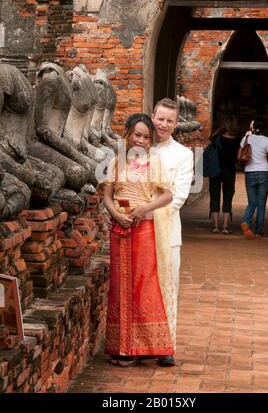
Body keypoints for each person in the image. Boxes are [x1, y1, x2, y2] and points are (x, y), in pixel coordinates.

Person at [103, 113, 176, 367]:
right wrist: (116, 216)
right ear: (128, 134)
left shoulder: (154, 163)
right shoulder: (116, 162)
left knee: (142, 286)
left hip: (144, 229)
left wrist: (144, 209)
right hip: (119, 229)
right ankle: (121, 348)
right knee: (119, 287)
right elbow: (107, 197)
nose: (141, 140)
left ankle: (140, 348)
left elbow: (167, 195)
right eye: (137, 135)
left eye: (146, 137)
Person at [151, 98, 194, 367]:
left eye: (169, 120)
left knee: (167, 286)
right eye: (160, 118)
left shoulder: (183, 154)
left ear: (176, 124)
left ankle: (166, 344)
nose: (163, 124)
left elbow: (179, 196)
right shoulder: (138, 148)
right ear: (152, 116)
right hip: (135, 228)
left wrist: (148, 213)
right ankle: (139, 343)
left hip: (167, 229)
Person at [238, 118, 268, 239]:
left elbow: (239, 155)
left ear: (253, 127)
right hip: (264, 172)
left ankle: (246, 221)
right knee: (261, 204)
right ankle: (259, 231)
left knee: (252, 202)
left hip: (249, 172)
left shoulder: (246, 139)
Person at [208, 116, 240, 234]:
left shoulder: (218, 138)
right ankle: (225, 227)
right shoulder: (238, 140)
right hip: (230, 171)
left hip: (216, 171)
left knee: (214, 197)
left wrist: (220, 128)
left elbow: (210, 137)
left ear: (224, 126)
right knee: (228, 197)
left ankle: (216, 226)